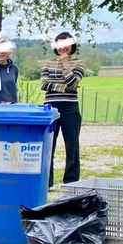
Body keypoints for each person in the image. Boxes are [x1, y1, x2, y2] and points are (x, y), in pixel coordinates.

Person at [41, 31, 84, 185]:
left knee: (72, 147)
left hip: (70, 108)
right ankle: (47, 182)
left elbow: (73, 82)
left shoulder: (79, 63)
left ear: (71, 45)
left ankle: (71, 182)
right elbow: (44, 84)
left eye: (66, 44)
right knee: (48, 146)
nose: (62, 47)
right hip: (50, 108)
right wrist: (65, 87)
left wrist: (66, 65)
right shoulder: (48, 63)